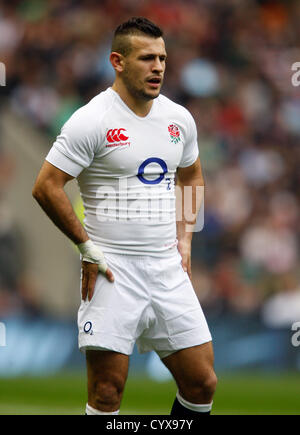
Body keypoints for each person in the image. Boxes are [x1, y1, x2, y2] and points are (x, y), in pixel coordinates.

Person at [32, 17, 217, 416]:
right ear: (118, 61)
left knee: (202, 384)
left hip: (167, 267)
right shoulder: (91, 120)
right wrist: (85, 247)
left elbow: (192, 175)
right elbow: (46, 186)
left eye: (163, 58)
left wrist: (185, 238)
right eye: (147, 58)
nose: (159, 68)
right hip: (112, 269)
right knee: (106, 391)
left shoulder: (178, 119)